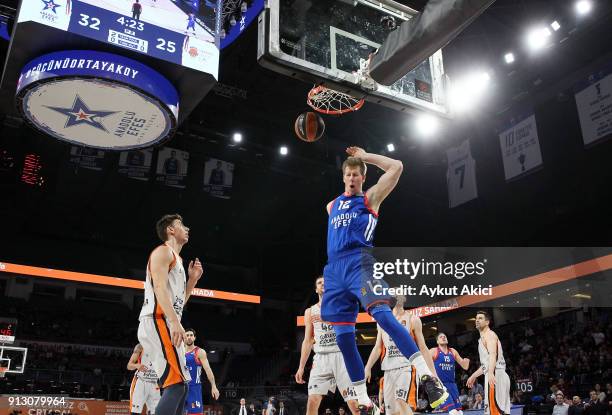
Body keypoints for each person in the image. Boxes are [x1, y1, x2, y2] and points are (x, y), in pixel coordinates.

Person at [322, 146, 447, 413]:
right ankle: (364, 399)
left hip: (360, 263)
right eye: (349, 174)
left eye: (357, 174)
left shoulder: (370, 198)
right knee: (343, 338)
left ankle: (428, 377)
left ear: (362, 177)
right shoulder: (331, 206)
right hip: (334, 271)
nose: (352, 178)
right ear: (343, 176)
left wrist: (365, 156)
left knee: (384, 317)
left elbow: (397, 166)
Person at [137, 214, 203, 415]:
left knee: (181, 386)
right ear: (171, 230)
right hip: (158, 321)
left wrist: (192, 281)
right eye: (182, 225)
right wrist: (174, 322)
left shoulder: (178, 261)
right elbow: (159, 288)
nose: (187, 228)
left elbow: (178, 303)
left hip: (165, 322)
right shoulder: (163, 252)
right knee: (177, 385)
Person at [294, 276, 360, 415]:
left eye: (326, 282)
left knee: (353, 404)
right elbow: (308, 340)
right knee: (312, 402)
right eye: (319, 282)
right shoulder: (310, 312)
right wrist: (301, 367)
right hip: (321, 359)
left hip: (341, 357)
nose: (323, 284)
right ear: (316, 289)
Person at [364, 295, 437, 415]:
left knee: (401, 401)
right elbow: (377, 348)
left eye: (400, 292)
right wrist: (368, 367)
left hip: (407, 367)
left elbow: (423, 348)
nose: (397, 295)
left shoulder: (413, 319)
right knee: (392, 412)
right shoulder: (381, 321)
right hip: (388, 370)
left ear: (405, 298)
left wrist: (432, 373)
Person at [466, 311, 511, 415]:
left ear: (487, 322)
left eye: (480, 318)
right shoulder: (482, 338)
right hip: (497, 373)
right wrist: (473, 376)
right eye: (476, 318)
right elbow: (486, 364)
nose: (477, 320)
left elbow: (493, 355)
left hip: (495, 375)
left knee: (494, 412)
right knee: (501, 411)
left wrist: (490, 373)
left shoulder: (489, 335)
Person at [430, 333, 470, 415]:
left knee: (459, 412)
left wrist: (467, 361)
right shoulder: (433, 351)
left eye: (445, 336)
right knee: (453, 411)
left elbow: (465, 366)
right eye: (441, 337)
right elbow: (425, 363)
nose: (443, 337)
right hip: (440, 385)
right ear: (437, 341)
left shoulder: (453, 351)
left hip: (452, 385)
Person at [184, 328, 220, 415]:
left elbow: (208, 370)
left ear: (194, 338)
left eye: (191, 335)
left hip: (194, 389)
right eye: (187, 335)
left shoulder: (199, 352)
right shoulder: (179, 351)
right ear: (184, 337)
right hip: (180, 388)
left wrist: (214, 386)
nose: (189, 337)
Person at [127, 343, 160, 415]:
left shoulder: (162, 347)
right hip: (141, 382)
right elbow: (129, 365)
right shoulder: (140, 346)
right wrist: (136, 365)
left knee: (155, 412)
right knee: (135, 411)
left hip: (155, 383)